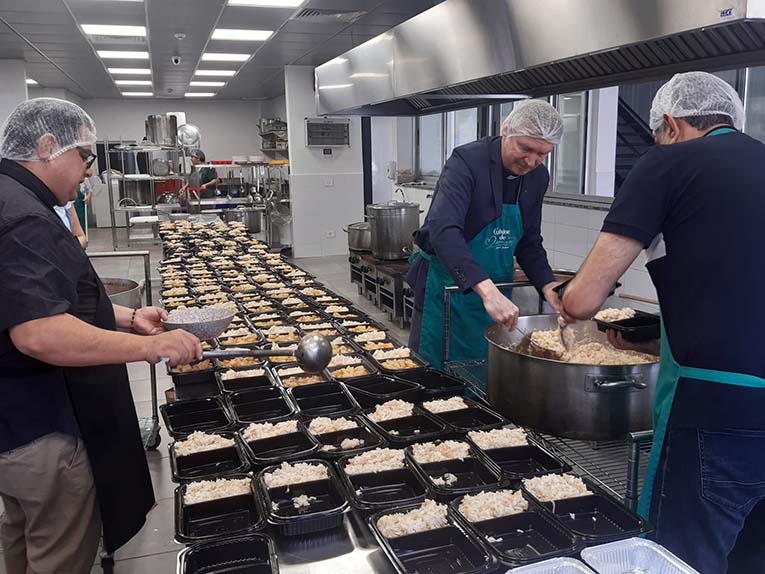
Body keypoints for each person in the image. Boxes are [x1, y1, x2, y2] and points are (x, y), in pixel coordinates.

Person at [560, 72, 765, 573]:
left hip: (718, 410)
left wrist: (566, 294)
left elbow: (584, 299)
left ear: (670, 125)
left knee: (682, 558)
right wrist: (658, 334)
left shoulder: (668, 162)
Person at [0, 97, 203, 574]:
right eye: (84, 156)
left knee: (21, 536)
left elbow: (48, 301)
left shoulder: (12, 198)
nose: (88, 171)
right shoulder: (25, 219)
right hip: (41, 424)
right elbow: (40, 332)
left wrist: (129, 318)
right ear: (48, 146)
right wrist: (150, 346)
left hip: (12, 424)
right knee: (58, 553)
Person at [407, 100, 565, 368]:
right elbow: (444, 230)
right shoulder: (467, 161)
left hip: (498, 292)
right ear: (506, 130)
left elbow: (529, 240)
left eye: (542, 154)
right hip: (447, 287)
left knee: (486, 370)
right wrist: (487, 291)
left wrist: (548, 286)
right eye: (525, 148)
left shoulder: (538, 177)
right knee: (435, 373)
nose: (531, 161)